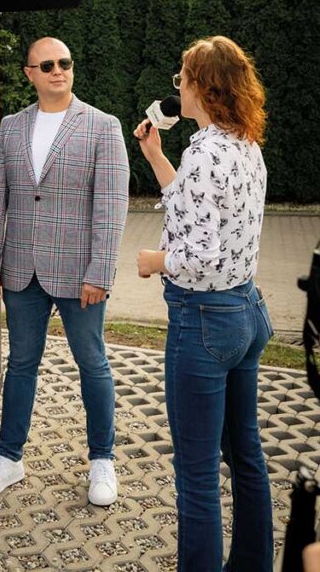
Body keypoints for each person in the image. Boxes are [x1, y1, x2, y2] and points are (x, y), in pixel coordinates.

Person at [134, 35, 274, 572]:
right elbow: (197, 211)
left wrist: (153, 260)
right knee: (246, 456)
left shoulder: (204, 152)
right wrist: (156, 157)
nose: (179, 87)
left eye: (182, 78)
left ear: (202, 87)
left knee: (196, 474)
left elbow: (198, 256)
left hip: (204, 322)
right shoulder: (244, 145)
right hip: (247, 312)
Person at [0, 37, 129, 505]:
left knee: (92, 363)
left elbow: (112, 206)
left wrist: (101, 270)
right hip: (21, 270)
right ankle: (9, 457)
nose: (58, 70)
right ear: (29, 74)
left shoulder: (103, 126)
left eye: (65, 62)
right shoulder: (11, 127)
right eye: (47, 65)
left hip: (80, 274)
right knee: (21, 363)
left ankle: (102, 460)